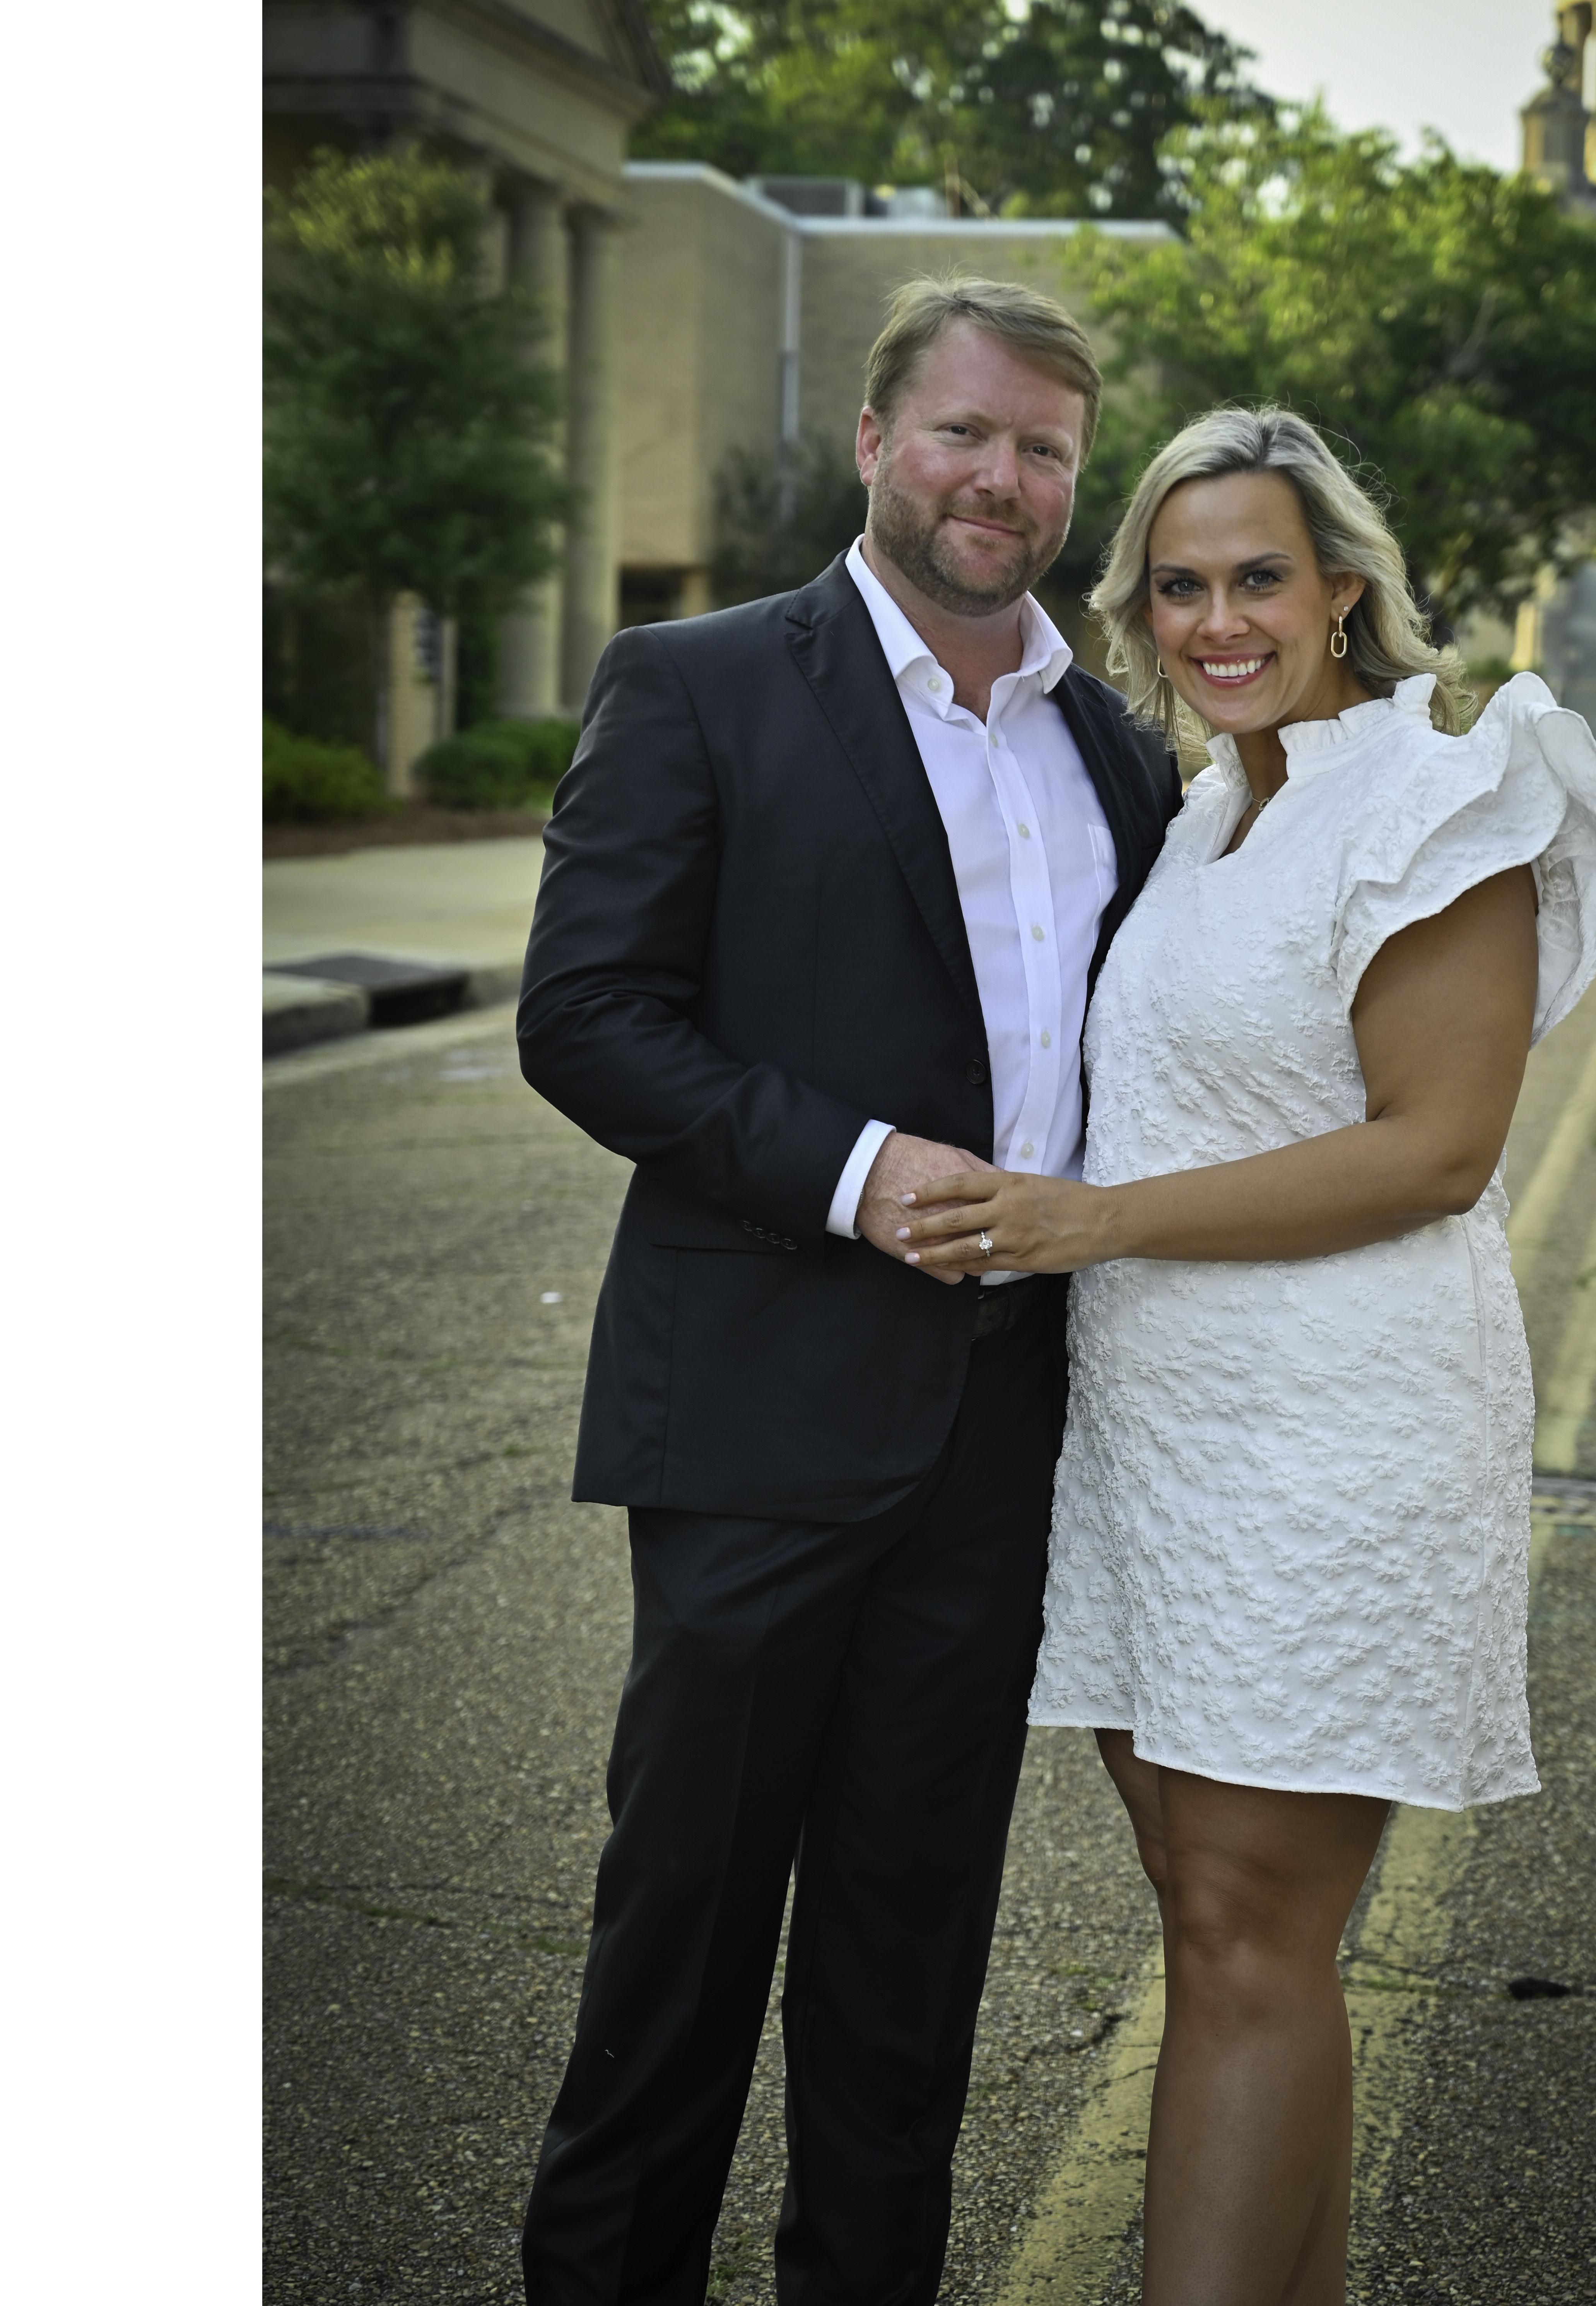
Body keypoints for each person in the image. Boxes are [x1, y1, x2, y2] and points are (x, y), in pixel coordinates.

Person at [891, 407, 1596, 2306]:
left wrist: (1093, 1222)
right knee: (1228, 1933)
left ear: (1344, 592)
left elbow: (1437, 1149)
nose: (1220, 620)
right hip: (1162, 1438)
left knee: (1241, 1928)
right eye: (1181, 585)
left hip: (1336, 1432)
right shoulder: (1214, 808)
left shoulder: (1434, 799)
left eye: (1259, 579)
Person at [512, 278, 1179, 2306]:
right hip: (757, 1408)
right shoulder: (700, 680)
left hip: (1003, 1423)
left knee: (909, 1968)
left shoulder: (1113, 745)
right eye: (965, 431)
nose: (1002, 478)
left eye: (1044, 448)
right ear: (878, 440)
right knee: (681, 1945)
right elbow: (587, 1015)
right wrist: (856, 1167)